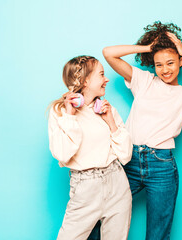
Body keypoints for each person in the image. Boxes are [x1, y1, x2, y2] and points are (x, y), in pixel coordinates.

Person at [99, 21, 182, 240]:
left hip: (161, 165)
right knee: (101, 215)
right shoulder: (144, 81)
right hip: (128, 158)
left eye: (170, 62)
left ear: (180, 61)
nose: (165, 69)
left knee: (158, 232)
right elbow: (109, 53)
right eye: (159, 64)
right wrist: (147, 48)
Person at [48, 55, 133, 240]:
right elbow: (63, 154)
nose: (107, 79)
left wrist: (110, 121)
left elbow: (126, 155)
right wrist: (70, 116)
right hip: (86, 187)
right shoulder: (60, 113)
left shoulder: (106, 109)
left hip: (117, 183)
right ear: (86, 81)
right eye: (101, 74)